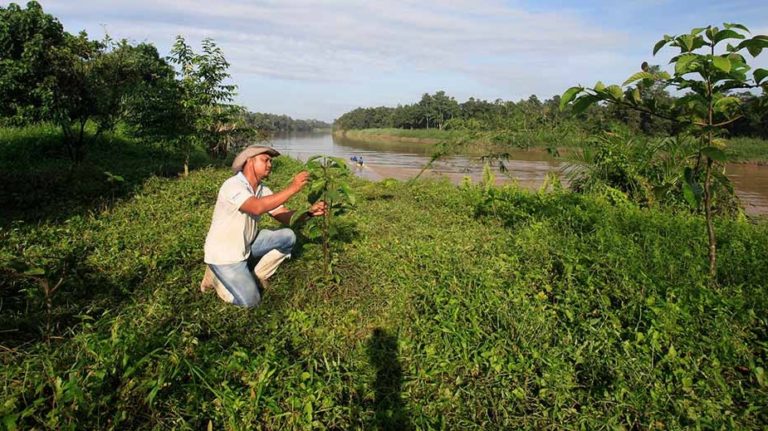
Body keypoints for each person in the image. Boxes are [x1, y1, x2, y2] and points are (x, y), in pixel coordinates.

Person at [200, 145, 327, 307]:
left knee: (288, 236)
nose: (270, 164)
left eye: (271, 161)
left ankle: (257, 275)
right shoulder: (232, 185)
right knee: (250, 301)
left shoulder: (262, 189)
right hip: (224, 255)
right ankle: (216, 277)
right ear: (249, 161)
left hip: (246, 244)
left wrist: (309, 213)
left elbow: (285, 217)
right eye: (265, 160)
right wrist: (293, 188)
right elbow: (256, 207)